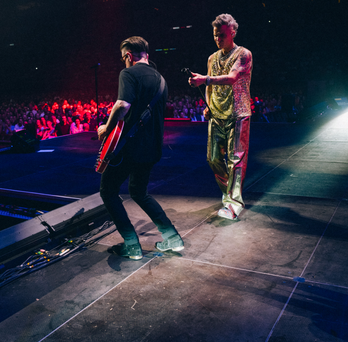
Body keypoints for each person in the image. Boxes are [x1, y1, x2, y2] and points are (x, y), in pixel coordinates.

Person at [98, 36, 183, 260]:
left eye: (123, 58)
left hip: (130, 147)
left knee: (108, 191)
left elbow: (123, 105)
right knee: (139, 192)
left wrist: (106, 128)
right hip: (152, 148)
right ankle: (172, 238)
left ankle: (131, 245)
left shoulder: (128, 73)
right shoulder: (161, 79)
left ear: (128, 55)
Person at [189, 14, 253, 221]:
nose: (218, 39)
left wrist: (204, 80)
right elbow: (209, 87)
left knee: (236, 160)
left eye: (222, 35)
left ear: (233, 32)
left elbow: (233, 78)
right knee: (213, 158)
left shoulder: (244, 54)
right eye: (216, 35)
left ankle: (234, 203)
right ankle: (229, 193)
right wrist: (207, 104)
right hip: (216, 114)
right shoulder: (212, 58)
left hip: (238, 113)